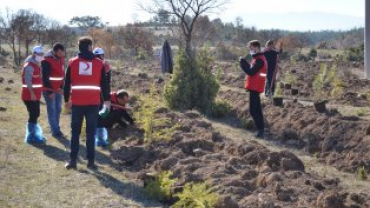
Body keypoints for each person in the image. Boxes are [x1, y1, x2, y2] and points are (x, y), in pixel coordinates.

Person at [64, 36, 111, 170]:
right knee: (91, 133)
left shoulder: (72, 62)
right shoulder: (99, 64)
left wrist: (66, 100)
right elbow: (104, 84)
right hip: (93, 104)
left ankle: (73, 161)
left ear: (79, 47)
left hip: (77, 104)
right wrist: (107, 101)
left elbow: (66, 83)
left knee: (75, 133)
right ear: (90, 47)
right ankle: (91, 162)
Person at [239, 40, 267, 138]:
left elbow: (251, 72)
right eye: (249, 48)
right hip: (255, 87)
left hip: (256, 88)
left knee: (253, 111)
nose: (250, 50)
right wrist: (244, 62)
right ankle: (261, 131)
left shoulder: (259, 60)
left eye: (251, 48)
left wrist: (242, 64)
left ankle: (261, 131)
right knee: (257, 110)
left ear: (257, 47)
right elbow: (251, 68)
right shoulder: (257, 59)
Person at [21, 46, 46, 144]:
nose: (41, 56)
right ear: (34, 54)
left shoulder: (36, 64)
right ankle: (31, 136)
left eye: (41, 54)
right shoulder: (29, 66)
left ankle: (33, 135)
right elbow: (28, 81)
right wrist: (32, 93)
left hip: (35, 95)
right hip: (29, 95)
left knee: (35, 114)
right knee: (34, 114)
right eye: (39, 54)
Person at [41, 43, 66, 139]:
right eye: (59, 53)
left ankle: (55, 127)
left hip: (58, 89)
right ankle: (55, 131)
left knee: (58, 109)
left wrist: (61, 87)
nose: (61, 54)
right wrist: (49, 92)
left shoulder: (61, 59)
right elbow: (45, 78)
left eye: (62, 52)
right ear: (54, 51)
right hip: (49, 89)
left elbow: (62, 74)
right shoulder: (46, 60)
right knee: (51, 109)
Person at [92, 47, 111, 147]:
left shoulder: (91, 65)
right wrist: (107, 98)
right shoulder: (105, 66)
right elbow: (107, 84)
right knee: (101, 117)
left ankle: (94, 138)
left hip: (93, 95)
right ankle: (100, 139)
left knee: (94, 117)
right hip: (101, 96)